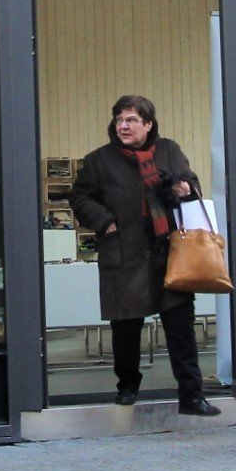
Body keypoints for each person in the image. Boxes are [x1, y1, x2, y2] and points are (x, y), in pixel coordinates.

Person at [69, 94, 219, 414]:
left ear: (148, 124)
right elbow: (80, 198)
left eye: (131, 120)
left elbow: (191, 184)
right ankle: (127, 386)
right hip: (125, 253)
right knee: (126, 328)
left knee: (180, 328)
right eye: (119, 119)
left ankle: (192, 396)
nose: (123, 126)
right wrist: (105, 222)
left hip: (169, 253)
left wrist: (185, 189)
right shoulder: (99, 160)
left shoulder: (169, 150)